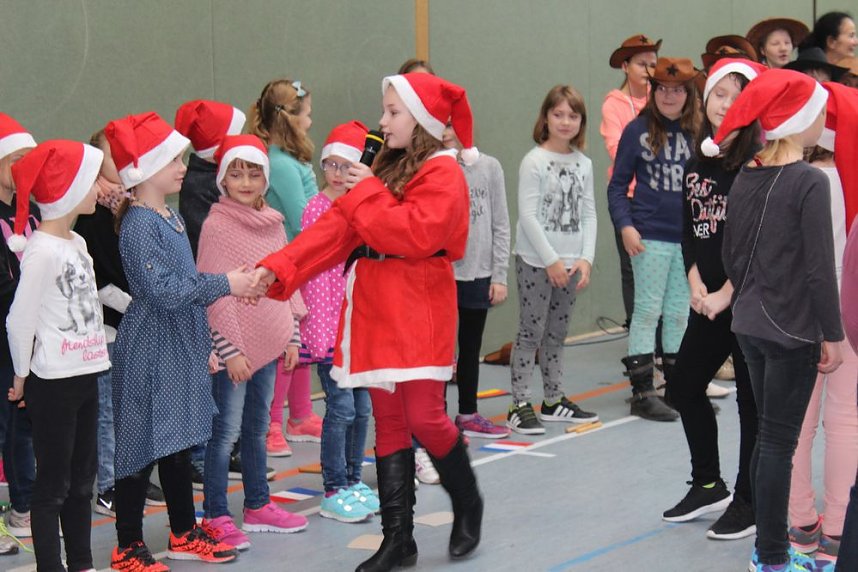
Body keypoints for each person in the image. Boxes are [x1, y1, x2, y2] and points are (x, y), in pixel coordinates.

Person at [252, 72, 484, 571]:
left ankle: (468, 501)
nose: (382, 121)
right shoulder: (381, 170)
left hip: (419, 306)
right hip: (375, 307)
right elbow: (336, 230)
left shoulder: (443, 172)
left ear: (422, 119)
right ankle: (399, 539)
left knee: (424, 416)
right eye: (385, 110)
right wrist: (279, 268)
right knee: (391, 422)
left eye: (393, 112)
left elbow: (415, 234)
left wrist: (369, 190)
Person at [105, 112, 260, 570]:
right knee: (139, 446)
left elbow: (184, 285)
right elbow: (163, 291)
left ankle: (183, 531)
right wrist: (226, 283)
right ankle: (127, 545)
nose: (182, 167)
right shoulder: (139, 223)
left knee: (178, 441)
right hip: (150, 347)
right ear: (146, 169)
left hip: (177, 342)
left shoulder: (168, 216)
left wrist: (202, 343)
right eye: (173, 160)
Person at [711, 68, 843, 571]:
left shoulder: (746, 175)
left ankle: (768, 551)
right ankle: (770, 557)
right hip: (792, 333)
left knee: (768, 439)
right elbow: (819, 270)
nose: (824, 122)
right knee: (777, 445)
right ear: (799, 120)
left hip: (750, 327)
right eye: (819, 113)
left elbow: (731, 258)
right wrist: (832, 334)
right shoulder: (809, 181)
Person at [662, 58, 767, 541]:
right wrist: (694, 283)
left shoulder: (758, 163)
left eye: (738, 95)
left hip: (746, 302)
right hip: (707, 301)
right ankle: (708, 484)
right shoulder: (696, 162)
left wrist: (727, 291)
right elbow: (690, 229)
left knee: (751, 405)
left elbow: (760, 240)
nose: (726, 104)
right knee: (683, 386)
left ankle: (749, 501)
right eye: (719, 94)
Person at [198, 134, 310, 549]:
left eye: (253, 174)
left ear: (265, 178)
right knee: (224, 433)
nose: (245, 182)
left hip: (269, 343)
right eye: (236, 174)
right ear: (222, 179)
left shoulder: (274, 223)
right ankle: (215, 514)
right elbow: (214, 293)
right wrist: (231, 351)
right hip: (236, 351)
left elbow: (285, 281)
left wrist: (291, 335)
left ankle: (258, 505)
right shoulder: (216, 226)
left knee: (258, 427)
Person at [6, 139, 110, 572]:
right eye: (92, 181)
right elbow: (19, 319)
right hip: (53, 383)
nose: (99, 189)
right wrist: (21, 375)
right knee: (54, 485)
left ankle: (82, 563)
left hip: (87, 375)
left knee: (82, 483)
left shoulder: (78, 242)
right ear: (69, 188)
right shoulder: (41, 251)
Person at [77, 129, 166, 518]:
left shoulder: (134, 209)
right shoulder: (90, 215)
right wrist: (136, 308)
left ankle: (134, 476)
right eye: (114, 155)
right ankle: (109, 485)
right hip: (109, 330)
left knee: (138, 407)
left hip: (138, 326)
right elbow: (97, 279)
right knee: (109, 413)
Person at [787, 82, 858, 569]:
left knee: (797, 419)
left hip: (796, 307)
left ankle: (800, 521)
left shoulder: (789, 177)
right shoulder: (845, 180)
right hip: (846, 304)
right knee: (845, 417)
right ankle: (837, 526)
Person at [607, 57, 701, 422]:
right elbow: (617, 186)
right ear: (653, 90)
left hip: (686, 239)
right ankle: (643, 392)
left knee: (679, 313)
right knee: (647, 312)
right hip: (649, 236)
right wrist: (625, 225)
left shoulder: (697, 133)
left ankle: (677, 390)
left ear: (688, 94)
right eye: (662, 89)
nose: (669, 96)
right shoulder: (637, 130)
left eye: (677, 90)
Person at [506, 84, 598, 435]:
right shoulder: (534, 161)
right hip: (536, 261)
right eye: (558, 114)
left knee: (557, 334)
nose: (565, 121)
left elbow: (588, 213)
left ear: (581, 122)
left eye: (573, 116)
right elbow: (528, 216)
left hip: (571, 264)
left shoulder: (584, 164)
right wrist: (550, 260)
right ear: (545, 118)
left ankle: (553, 400)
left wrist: (585, 258)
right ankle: (519, 403)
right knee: (531, 332)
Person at [305, 121, 378, 523]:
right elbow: (315, 277)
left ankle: (352, 479)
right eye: (330, 164)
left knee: (362, 408)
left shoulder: (366, 207)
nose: (336, 173)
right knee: (342, 409)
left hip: (360, 330)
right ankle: (334, 487)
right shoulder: (317, 209)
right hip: (331, 331)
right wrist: (321, 335)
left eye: (345, 165)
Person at [248, 78, 322, 456]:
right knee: (285, 348)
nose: (310, 121)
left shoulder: (292, 161)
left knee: (302, 345)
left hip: (303, 265)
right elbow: (303, 218)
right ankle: (272, 423)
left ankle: (300, 414)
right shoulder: (280, 165)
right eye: (306, 115)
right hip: (290, 267)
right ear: (290, 119)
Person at [441, 122, 511, 439]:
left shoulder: (489, 167)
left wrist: (499, 275)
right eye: (440, 125)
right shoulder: (433, 168)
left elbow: (501, 223)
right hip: (442, 274)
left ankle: (467, 413)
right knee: (440, 353)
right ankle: (437, 419)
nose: (446, 132)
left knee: (470, 347)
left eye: (451, 124)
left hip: (479, 274)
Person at [601, 34, 660, 329]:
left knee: (662, 262)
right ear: (625, 66)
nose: (649, 70)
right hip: (629, 196)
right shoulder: (613, 105)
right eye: (641, 64)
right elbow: (617, 150)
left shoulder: (661, 98)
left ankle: (663, 333)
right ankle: (638, 332)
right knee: (632, 266)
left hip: (660, 194)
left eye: (653, 64)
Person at [0, 114, 37, 556]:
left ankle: (23, 508)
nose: (25, 168)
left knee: (24, 427)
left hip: (27, 340)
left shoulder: (33, 211)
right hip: (4, 337)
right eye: (17, 159)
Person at [175, 99, 246, 259]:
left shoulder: (218, 175)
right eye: (237, 137)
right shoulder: (196, 186)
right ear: (219, 147)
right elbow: (211, 239)